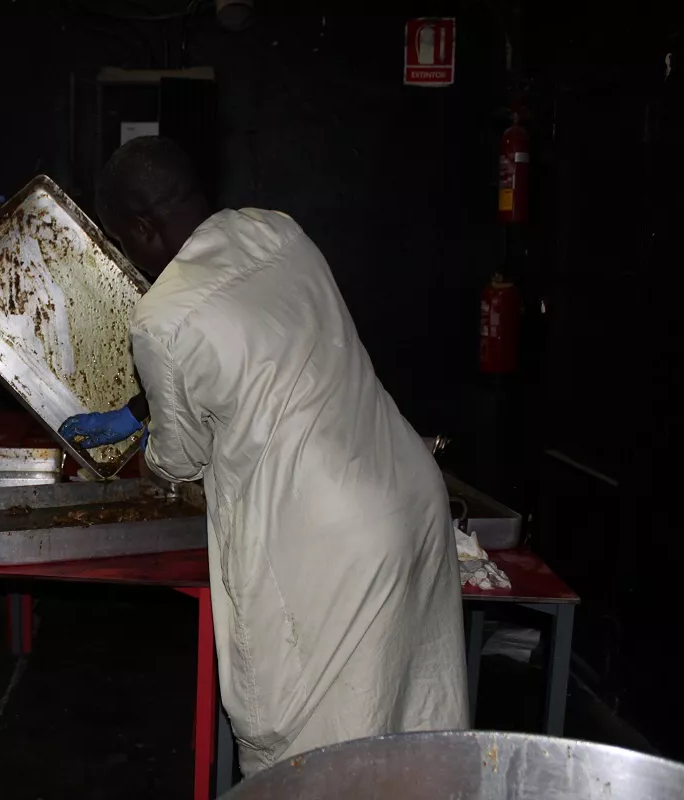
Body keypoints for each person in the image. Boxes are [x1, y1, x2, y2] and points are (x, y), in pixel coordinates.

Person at [61, 137, 469, 774]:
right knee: (409, 727)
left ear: (140, 229)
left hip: (330, 536)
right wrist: (146, 405)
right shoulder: (276, 230)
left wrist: (145, 443)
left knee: (321, 751)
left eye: (119, 243)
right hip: (408, 490)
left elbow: (181, 460)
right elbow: (265, 347)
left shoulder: (160, 318)